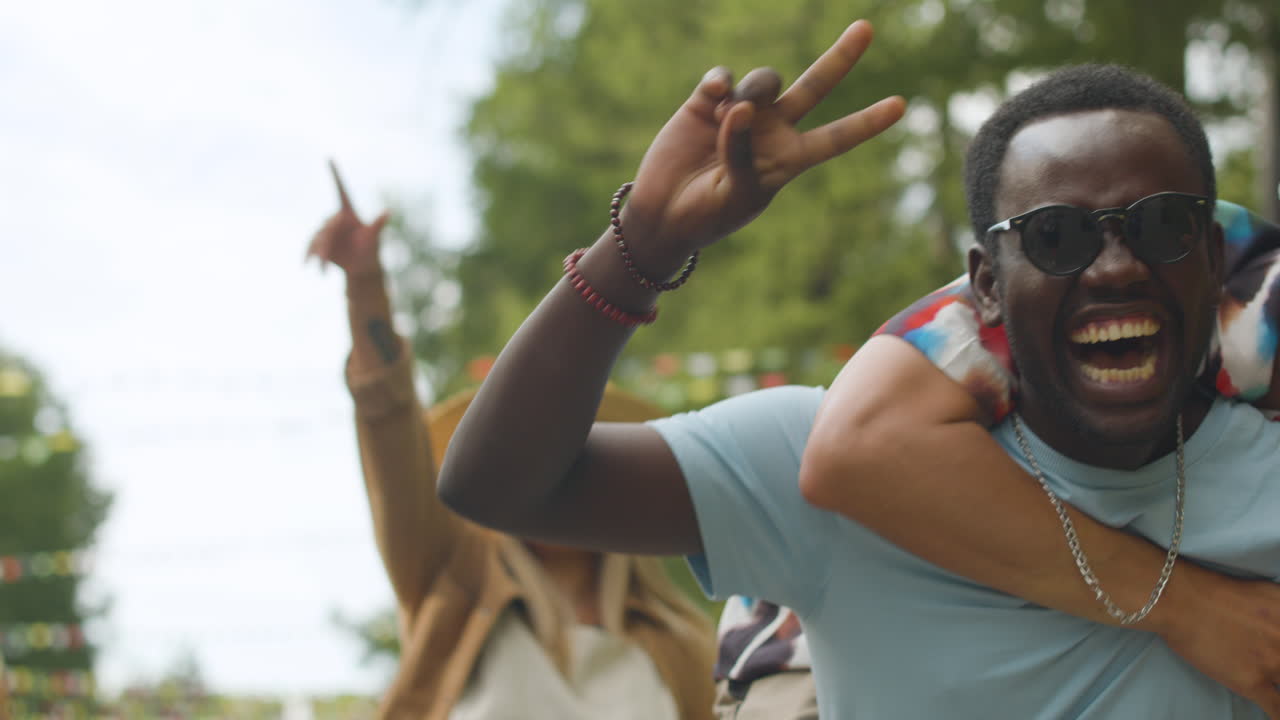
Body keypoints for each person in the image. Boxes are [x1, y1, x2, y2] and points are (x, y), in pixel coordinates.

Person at [436, 18, 1280, 718]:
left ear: (1215, 258)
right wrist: (643, 249)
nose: (1116, 267)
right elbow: (497, 487)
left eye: (1162, 224)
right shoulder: (823, 476)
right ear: (984, 286)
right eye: (1057, 236)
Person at [306, 162, 715, 720]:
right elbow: (393, 450)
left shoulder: (685, 647)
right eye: (530, 458)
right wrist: (367, 291)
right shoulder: (453, 589)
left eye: (574, 458)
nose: (550, 475)